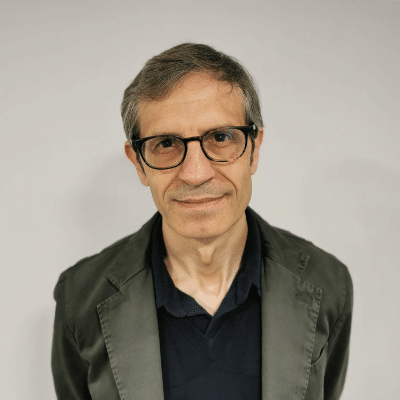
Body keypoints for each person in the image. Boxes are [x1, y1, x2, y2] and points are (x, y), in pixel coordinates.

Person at [51, 43, 353, 400]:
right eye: (166, 143)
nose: (195, 174)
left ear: (254, 149)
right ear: (138, 163)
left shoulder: (327, 282)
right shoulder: (79, 297)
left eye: (221, 137)